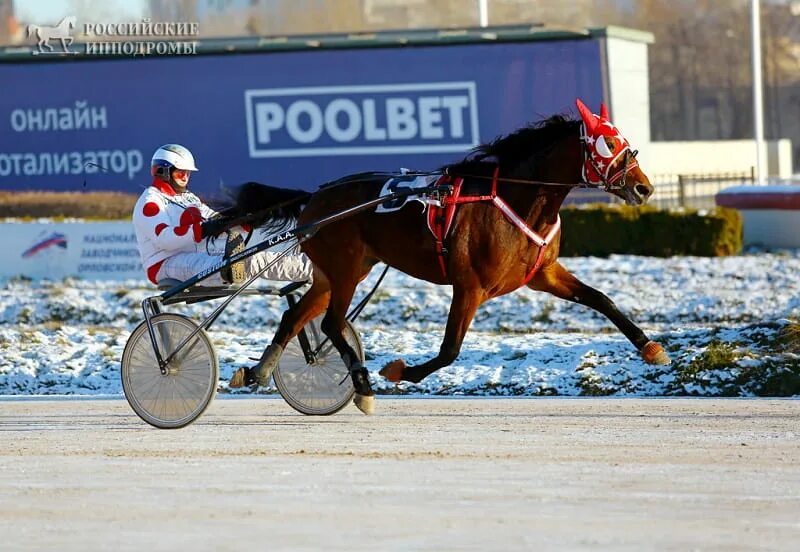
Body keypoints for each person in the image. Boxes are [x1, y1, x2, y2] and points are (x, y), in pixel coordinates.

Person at [132, 144, 313, 288]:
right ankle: (311, 270)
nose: (185, 178)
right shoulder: (151, 202)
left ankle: (310, 267)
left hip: (197, 254)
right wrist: (203, 230)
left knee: (254, 257)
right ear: (163, 171)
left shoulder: (188, 197)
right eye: (181, 173)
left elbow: (213, 219)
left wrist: (242, 223)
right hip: (166, 264)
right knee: (244, 263)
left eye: (188, 173)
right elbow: (165, 239)